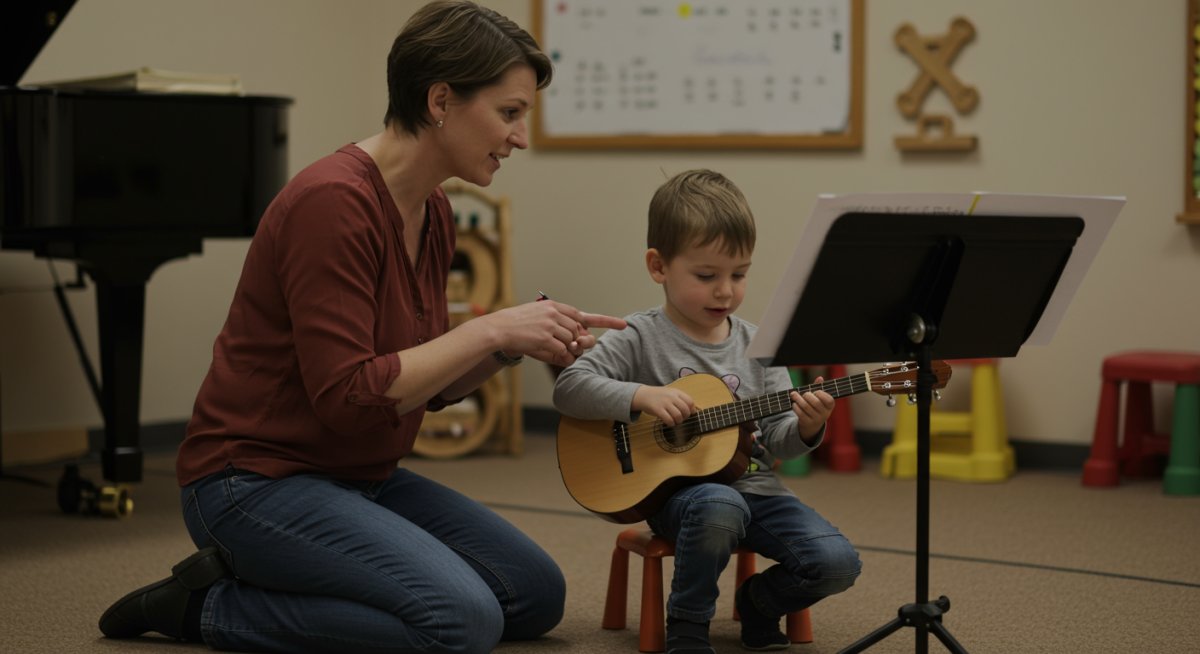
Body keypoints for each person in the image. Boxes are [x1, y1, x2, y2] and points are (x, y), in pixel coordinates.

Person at [97, 2, 626, 652]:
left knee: (534, 593)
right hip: (251, 483)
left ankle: (312, 575)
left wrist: (515, 345)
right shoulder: (333, 203)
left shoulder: (433, 210)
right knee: (462, 622)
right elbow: (349, 396)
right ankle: (205, 608)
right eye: (510, 113)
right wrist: (490, 330)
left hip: (357, 476)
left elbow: (421, 385)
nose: (520, 137)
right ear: (440, 100)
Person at [553, 170, 861, 653]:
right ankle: (689, 628)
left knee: (838, 561)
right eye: (707, 276)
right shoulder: (638, 335)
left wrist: (807, 426)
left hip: (757, 489)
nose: (726, 291)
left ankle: (759, 603)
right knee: (720, 504)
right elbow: (570, 387)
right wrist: (641, 396)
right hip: (679, 498)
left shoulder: (760, 346)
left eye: (739, 274)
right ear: (658, 266)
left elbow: (778, 440)